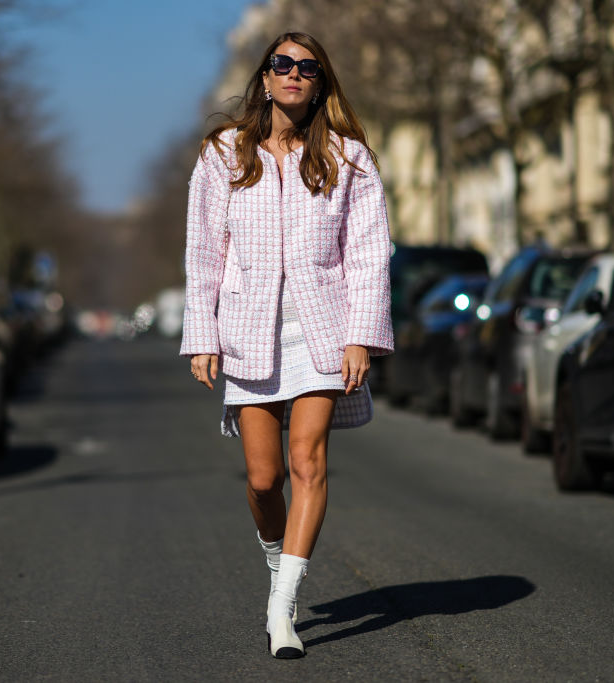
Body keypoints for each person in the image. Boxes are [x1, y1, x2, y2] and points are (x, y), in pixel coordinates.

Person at [179, 31, 393, 659]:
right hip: (249, 332)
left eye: (307, 67)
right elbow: (203, 253)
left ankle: (282, 607)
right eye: (283, 64)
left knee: (309, 462)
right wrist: (203, 335)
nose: (294, 73)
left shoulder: (350, 159)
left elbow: (369, 255)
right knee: (264, 477)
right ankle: (278, 560)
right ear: (265, 78)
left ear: (319, 82)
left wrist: (361, 337)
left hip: (322, 332)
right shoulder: (224, 153)